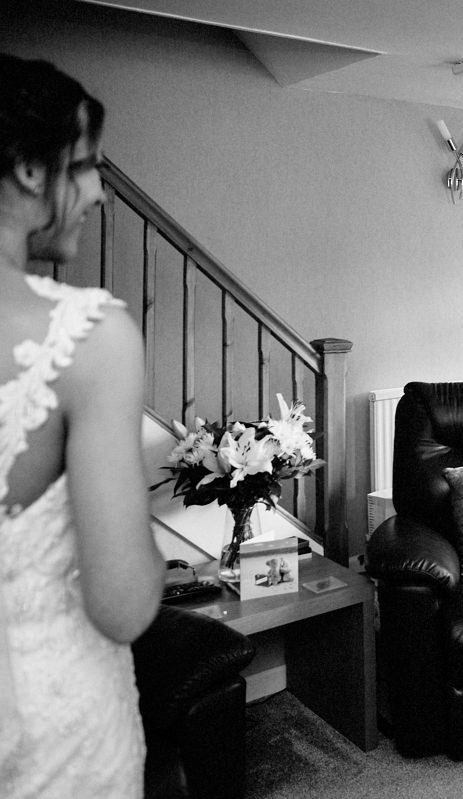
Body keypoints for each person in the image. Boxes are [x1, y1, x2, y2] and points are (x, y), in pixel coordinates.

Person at [0, 55, 164, 796]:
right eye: (89, 165)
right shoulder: (89, 336)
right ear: (33, 172)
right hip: (52, 724)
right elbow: (124, 604)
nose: (99, 191)